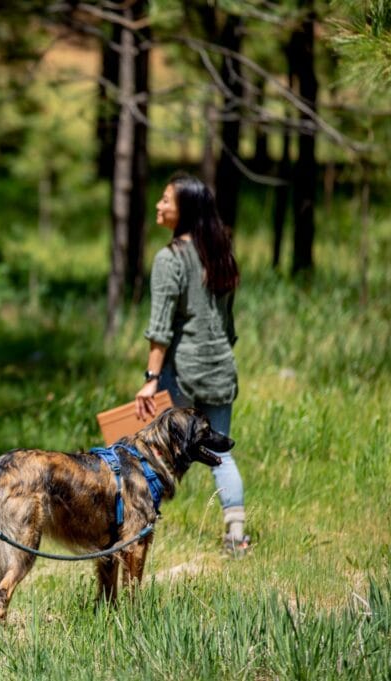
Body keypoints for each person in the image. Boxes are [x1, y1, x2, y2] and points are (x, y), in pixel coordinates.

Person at [134, 173, 250, 556]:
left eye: (166, 200)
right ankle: (236, 535)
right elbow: (229, 325)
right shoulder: (220, 254)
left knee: (154, 448)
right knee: (221, 454)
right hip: (221, 368)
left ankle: (136, 523)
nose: (159, 205)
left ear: (185, 210)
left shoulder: (170, 259)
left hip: (182, 372)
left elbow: (160, 328)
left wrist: (152, 378)